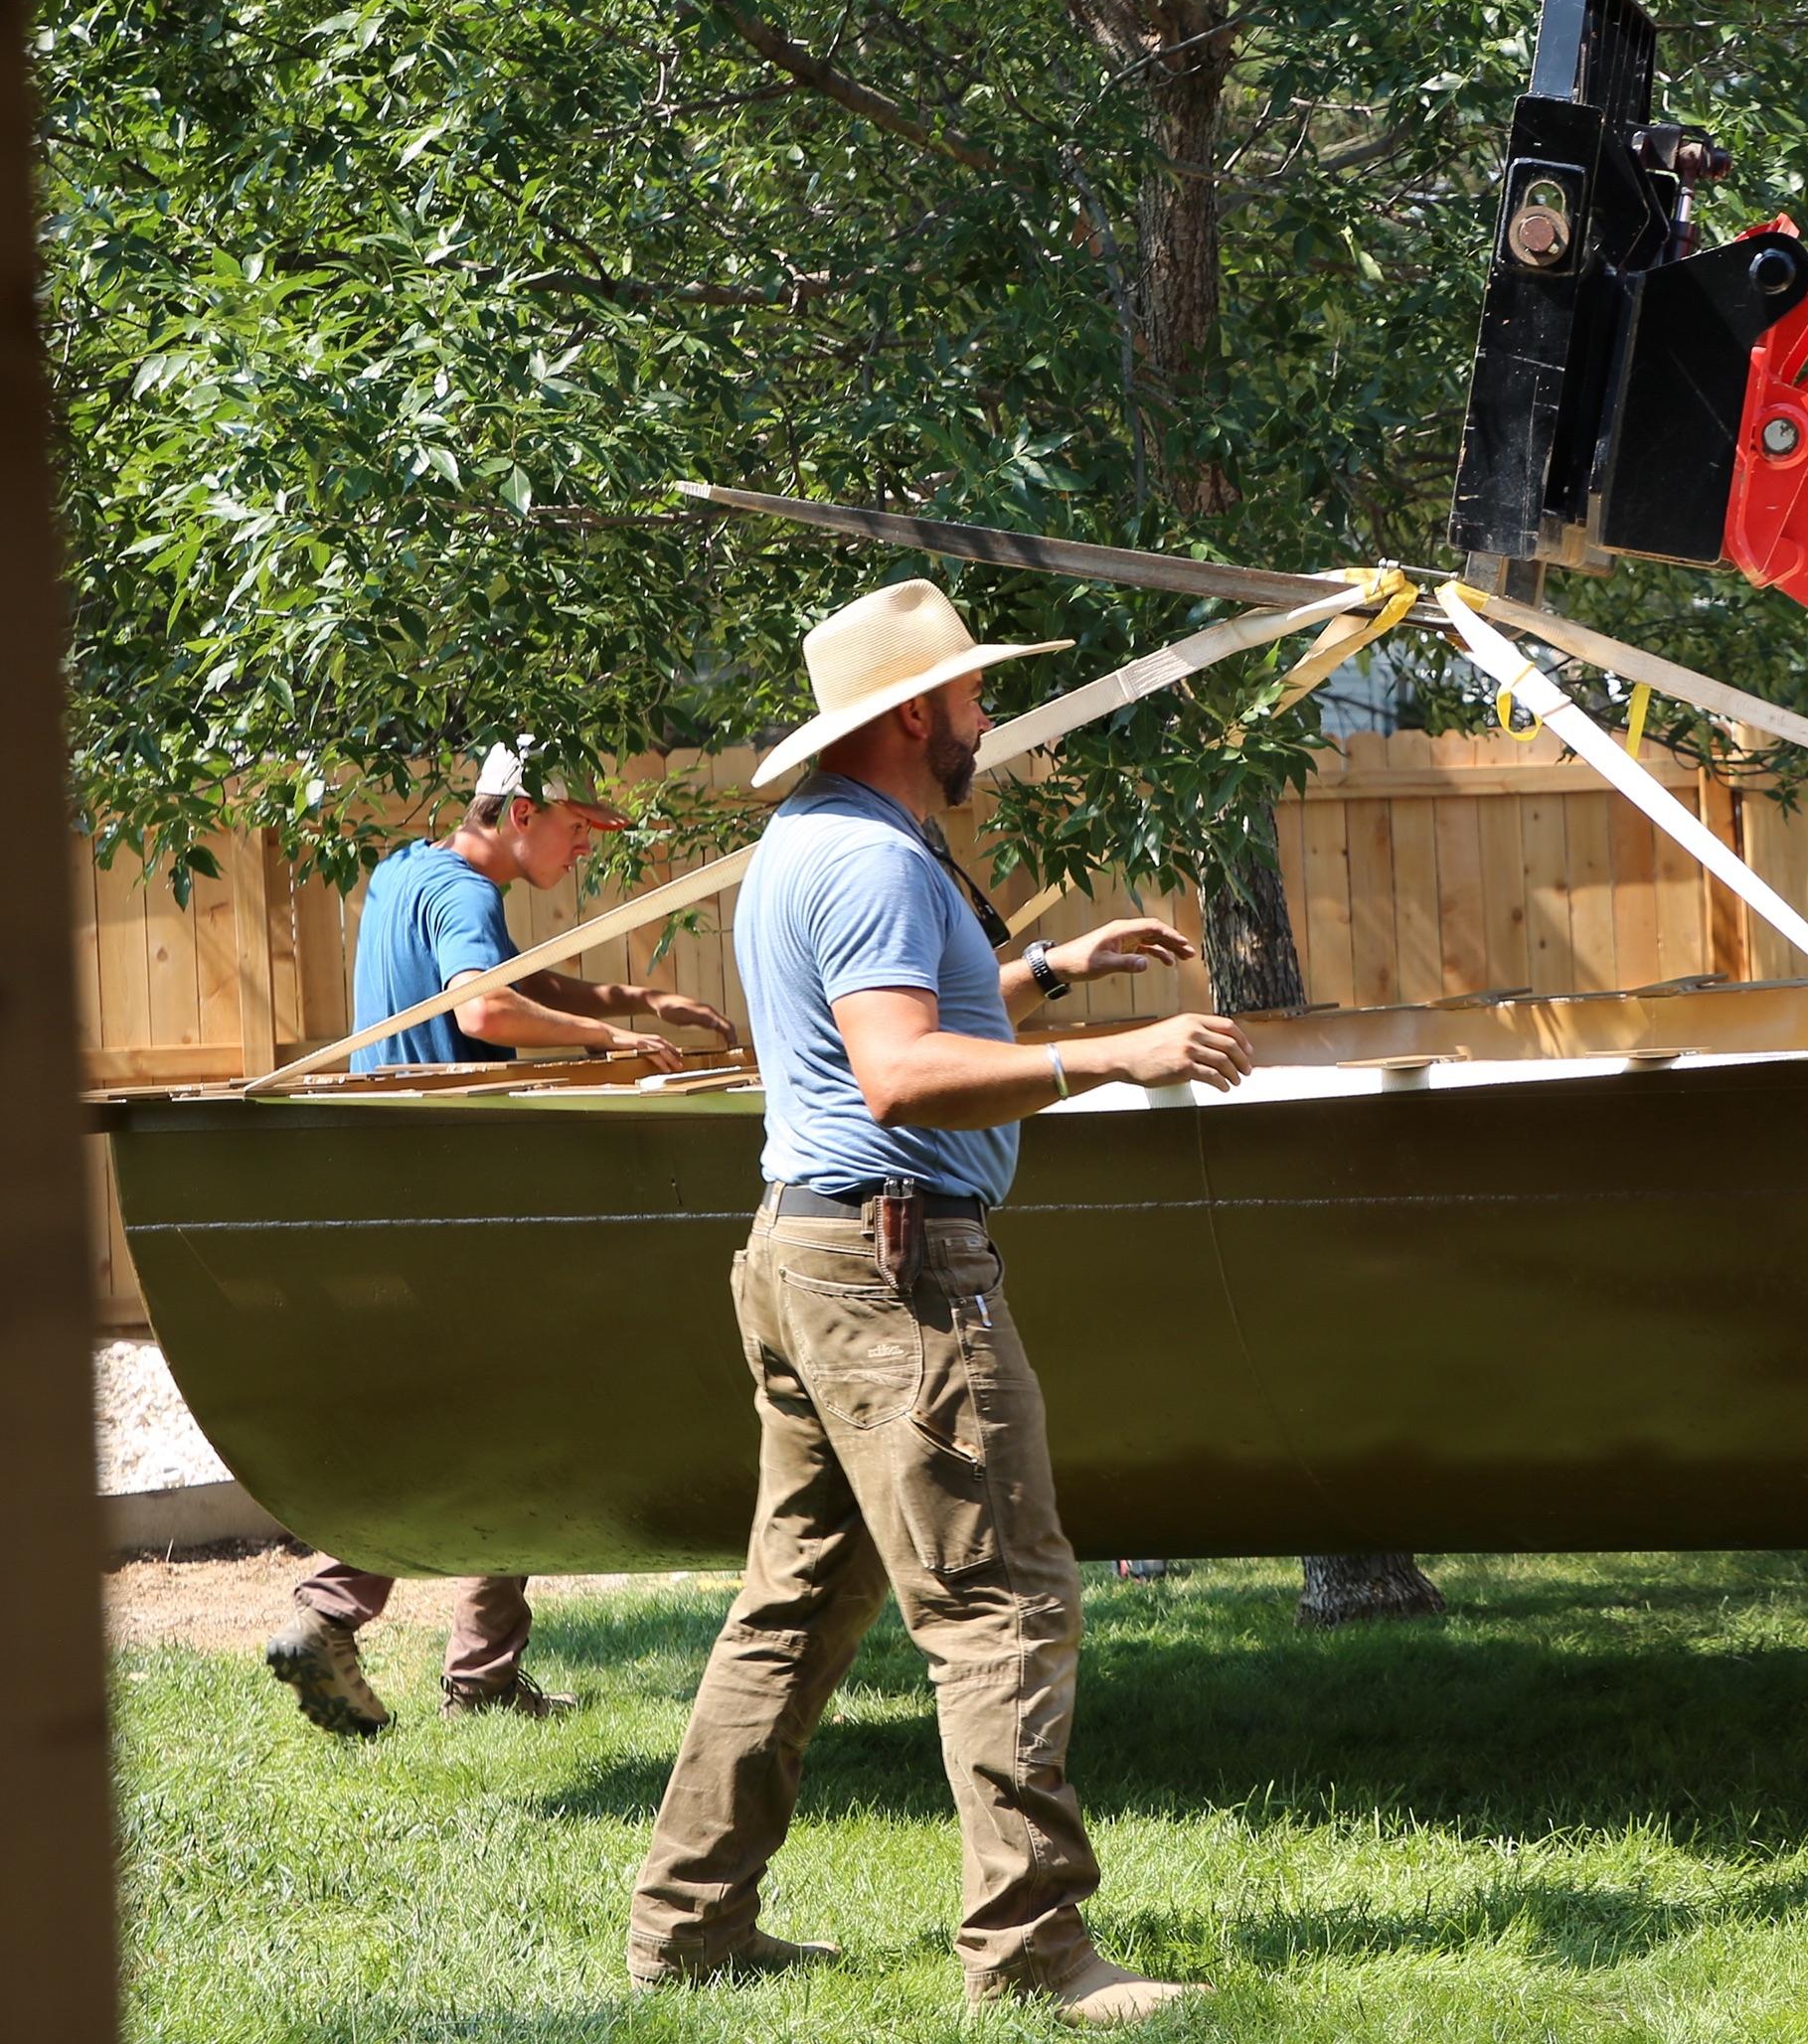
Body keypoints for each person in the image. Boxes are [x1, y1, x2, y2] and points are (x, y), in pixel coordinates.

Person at [623, 578, 1252, 2026]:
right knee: (1004, 1599)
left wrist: (1046, 972)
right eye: (973, 697)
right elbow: (898, 1073)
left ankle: (690, 1927)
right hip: (896, 1271)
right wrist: (1121, 1054)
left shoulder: (812, 844)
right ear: (912, 713)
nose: (988, 721)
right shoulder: (881, 865)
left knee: (794, 1605)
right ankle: (1034, 1957)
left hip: (809, 1254)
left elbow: (907, 1023)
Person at [261, 742, 739, 1737]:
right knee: (517, 1419)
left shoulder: (404, 875)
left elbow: (511, 989)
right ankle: (349, 1616)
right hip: (457, 1190)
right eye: (572, 829)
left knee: (488, 1416)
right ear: (520, 813)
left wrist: (637, 1001)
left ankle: (445, 1657)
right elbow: (483, 1005)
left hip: (394, 1190)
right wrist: (616, 1045)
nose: (580, 852)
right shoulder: (466, 897)